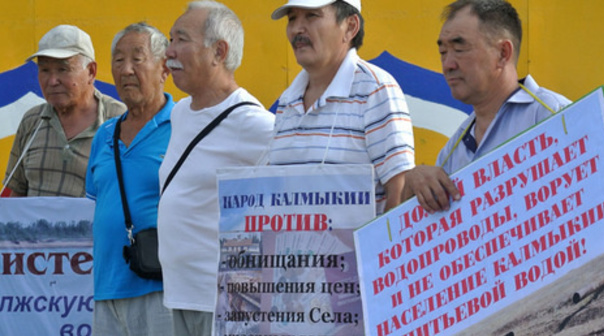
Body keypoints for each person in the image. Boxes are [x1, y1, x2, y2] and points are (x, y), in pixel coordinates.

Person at [157, 1, 275, 335]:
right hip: (178, 295)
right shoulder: (180, 113)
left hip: (221, 303)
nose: (168, 51)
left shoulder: (252, 122)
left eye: (181, 39)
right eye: (170, 39)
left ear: (218, 51)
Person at [402, 0, 571, 213]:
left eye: (460, 48)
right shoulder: (452, 152)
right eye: (443, 52)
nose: (448, 64)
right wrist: (411, 183)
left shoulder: (554, 116)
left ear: (503, 53)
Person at [269, 0, 415, 214]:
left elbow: (400, 189)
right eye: (292, 19)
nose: (297, 29)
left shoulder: (375, 89)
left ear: (350, 27)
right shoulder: (287, 100)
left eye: (311, 16)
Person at [85, 23, 174, 336]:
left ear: (164, 67)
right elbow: (96, 203)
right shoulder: (104, 135)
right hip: (106, 288)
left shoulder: (182, 128)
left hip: (162, 287)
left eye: (138, 59)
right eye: (118, 60)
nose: (125, 70)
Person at [3, 24, 125, 197]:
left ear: (91, 71)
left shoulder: (118, 120)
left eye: (63, 69)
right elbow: (15, 192)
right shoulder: (33, 120)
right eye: (45, 70)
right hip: (36, 225)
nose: (52, 81)